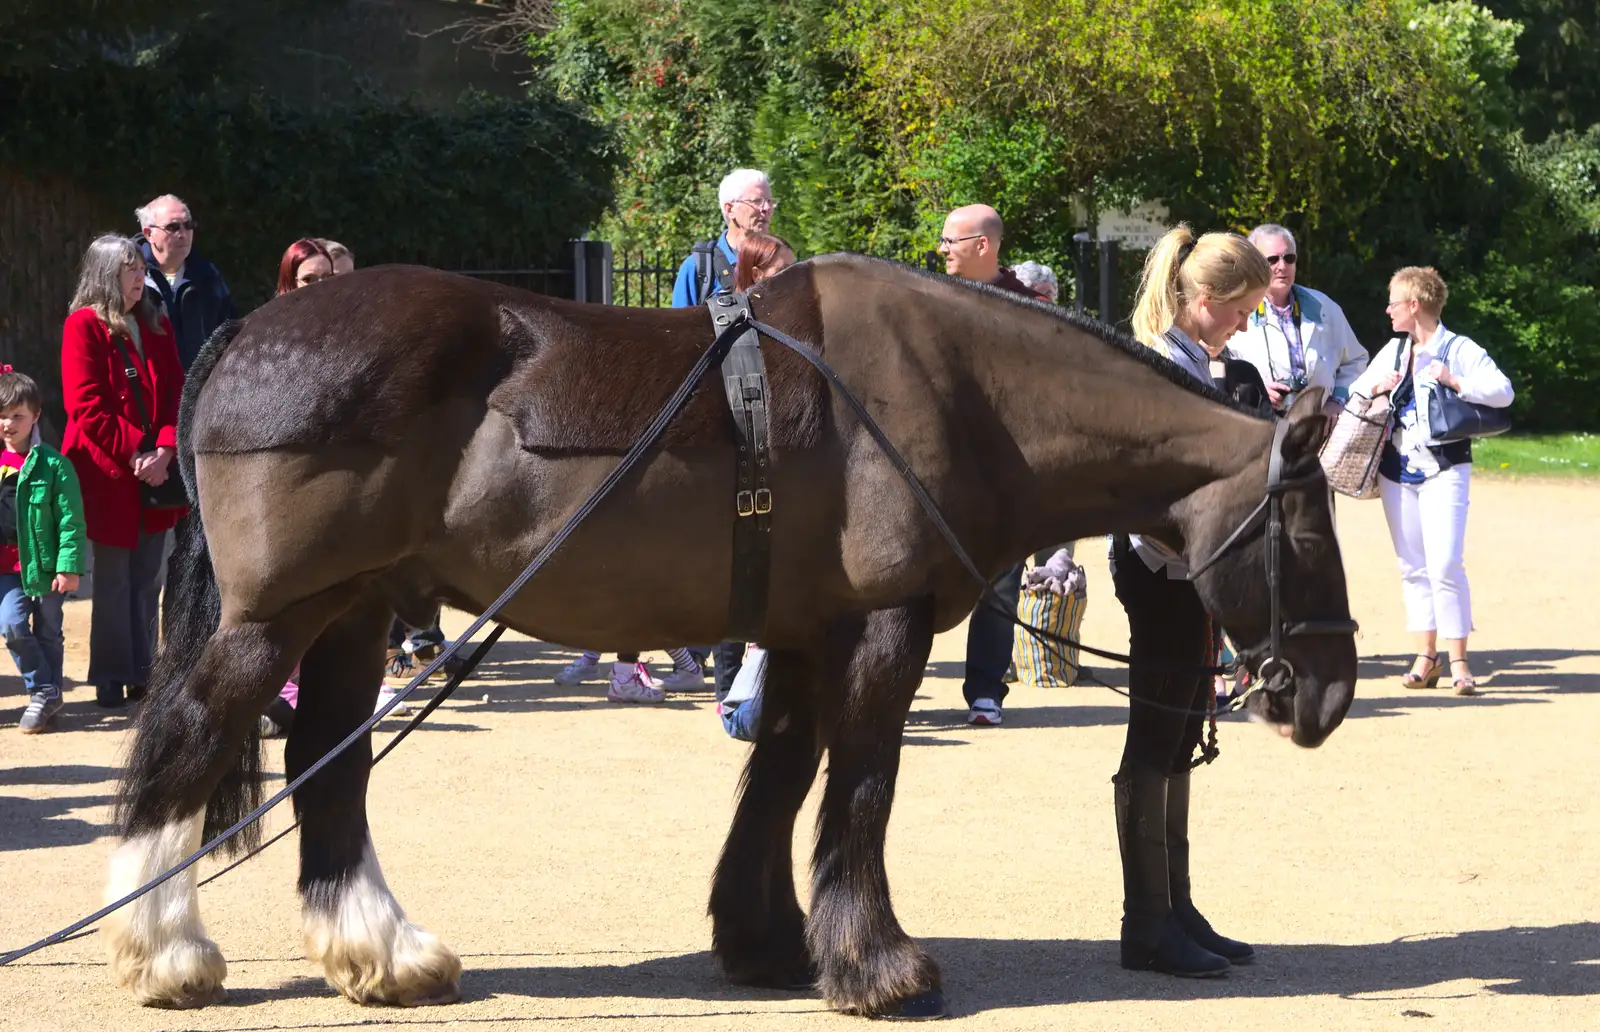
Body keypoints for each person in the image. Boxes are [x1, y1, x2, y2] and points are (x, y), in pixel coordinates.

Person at [1114, 224, 1271, 978]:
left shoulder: (1196, 360)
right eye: (1240, 311)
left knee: (1181, 737)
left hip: (1192, 570)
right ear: (1203, 299)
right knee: (1157, 732)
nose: (1244, 326)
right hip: (1159, 568)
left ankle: (1174, 905)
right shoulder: (1156, 364)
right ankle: (1145, 925)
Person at [1348, 267, 1513, 696]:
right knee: (1412, 566)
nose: (1387, 309)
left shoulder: (1458, 349)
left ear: (1414, 305)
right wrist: (1376, 387)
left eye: (1393, 303)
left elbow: (1503, 392)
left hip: (1445, 468)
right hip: (1396, 470)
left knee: (1445, 564)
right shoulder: (1393, 350)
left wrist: (1454, 380)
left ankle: (1459, 661)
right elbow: (1356, 395)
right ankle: (1426, 656)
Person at [61, 235, 186, 709]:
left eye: (141, 269)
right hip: (106, 470)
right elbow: (84, 405)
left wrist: (167, 450)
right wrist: (138, 452)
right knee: (112, 577)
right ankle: (112, 674)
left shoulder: (154, 320)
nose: (142, 277)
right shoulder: (83, 325)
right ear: (106, 275)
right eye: (131, 269)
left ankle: (144, 672)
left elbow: (178, 388)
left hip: (155, 466)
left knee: (147, 575)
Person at [936, 204, 1046, 726]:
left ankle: (985, 692)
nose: (942, 250)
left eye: (950, 241)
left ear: (983, 245)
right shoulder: (929, 300)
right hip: (937, 467)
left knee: (1001, 583)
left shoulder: (1028, 311)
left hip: (1004, 472)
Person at [0, 370, 87, 733]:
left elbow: (71, 522)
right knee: (12, 623)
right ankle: (44, 688)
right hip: (6, 569)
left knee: (49, 630)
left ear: (35, 415)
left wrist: (68, 568)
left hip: (47, 567)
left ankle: (47, 699)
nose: (8, 423)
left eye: (17, 415)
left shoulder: (55, 465)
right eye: (2, 415)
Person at [1227, 224, 1366, 418]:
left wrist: (1337, 402)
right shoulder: (1235, 310)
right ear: (1254, 263)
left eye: (1289, 258)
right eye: (1272, 260)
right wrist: (1255, 386)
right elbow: (1217, 364)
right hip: (1259, 423)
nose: (1282, 266)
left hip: (1319, 423)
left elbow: (1355, 361)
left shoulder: (1324, 307)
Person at [136, 195, 236, 371]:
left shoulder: (208, 276)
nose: (183, 234)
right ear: (149, 233)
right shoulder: (132, 276)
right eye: (172, 227)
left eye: (188, 225)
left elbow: (230, 332)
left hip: (200, 391)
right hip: (149, 392)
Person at [670, 168, 776, 308]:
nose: (767, 208)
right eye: (757, 201)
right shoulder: (699, 268)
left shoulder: (779, 261)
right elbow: (679, 327)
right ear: (729, 209)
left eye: (769, 201)